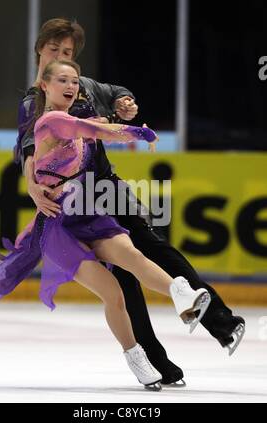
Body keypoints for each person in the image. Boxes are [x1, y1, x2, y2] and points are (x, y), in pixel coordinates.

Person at [16, 18, 245, 382]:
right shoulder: (33, 103)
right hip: (74, 201)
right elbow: (28, 149)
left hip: (106, 186)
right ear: (39, 52)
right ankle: (159, 364)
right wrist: (31, 184)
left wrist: (124, 101)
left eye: (68, 53)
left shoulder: (82, 84)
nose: (61, 57)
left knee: (151, 250)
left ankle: (219, 320)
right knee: (123, 281)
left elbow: (116, 92)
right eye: (54, 50)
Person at [0, 60, 212, 391]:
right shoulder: (51, 120)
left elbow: (90, 130)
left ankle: (183, 296)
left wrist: (114, 115)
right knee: (114, 294)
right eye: (62, 79)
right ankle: (135, 357)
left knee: (134, 257)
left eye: (75, 80)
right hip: (58, 227)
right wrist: (138, 131)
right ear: (44, 87)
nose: (71, 85)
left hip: (88, 213)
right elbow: (97, 131)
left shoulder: (75, 121)